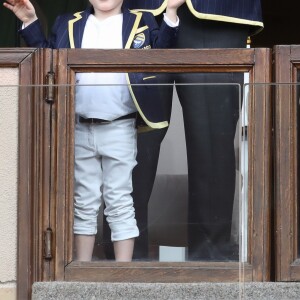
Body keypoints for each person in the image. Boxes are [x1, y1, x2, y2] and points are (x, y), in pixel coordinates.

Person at [4, 0, 185, 261]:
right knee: (84, 203)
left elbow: (163, 55)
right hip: (78, 126)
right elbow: (47, 62)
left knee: (120, 201)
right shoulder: (68, 23)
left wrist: (170, 12)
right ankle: (82, 271)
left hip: (120, 126)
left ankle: (121, 275)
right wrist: (30, 22)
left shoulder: (140, 21)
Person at [121, 0, 264, 260]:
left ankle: (211, 262)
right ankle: (121, 260)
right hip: (141, 11)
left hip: (219, 14)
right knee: (131, 141)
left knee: (213, 143)